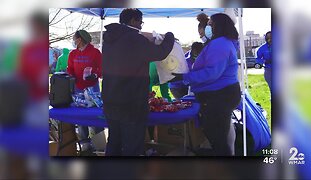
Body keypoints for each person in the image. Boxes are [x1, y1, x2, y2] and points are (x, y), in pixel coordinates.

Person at [102, 8, 175, 156]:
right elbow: (159, 53)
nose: (141, 26)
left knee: (114, 142)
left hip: (110, 99)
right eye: (140, 22)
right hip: (131, 102)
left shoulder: (109, 39)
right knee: (132, 145)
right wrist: (169, 37)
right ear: (133, 20)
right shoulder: (135, 39)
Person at [169, 13, 241, 156]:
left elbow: (211, 73)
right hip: (219, 94)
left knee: (218, 138)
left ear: (218, 26)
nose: (207, 27)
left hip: (219, 95)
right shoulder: (221, 42)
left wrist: (184, 77)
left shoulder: (220, 44)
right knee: (218, 136)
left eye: (210, 24)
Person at [67, 30, 104, 151]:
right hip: (78, 88)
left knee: (95, 114)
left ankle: (99, 142)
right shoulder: (73, 53)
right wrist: (70, 76)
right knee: (80, 114)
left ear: (80, 39)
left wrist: (95, 74)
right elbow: (70, 68)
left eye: (75, 38)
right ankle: (85, 142)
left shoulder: (95, 52)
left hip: (92, 88)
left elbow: (102, 68)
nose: (73, 41)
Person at [256, 31, 272, 96]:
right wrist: (263, 61)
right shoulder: (262, 48)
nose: (270, 39)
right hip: (268, 70)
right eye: (268, 37)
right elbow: (258, 59)